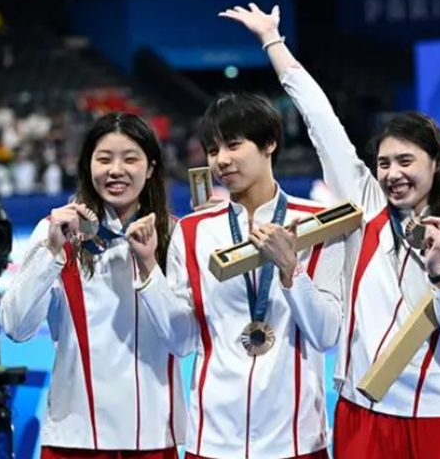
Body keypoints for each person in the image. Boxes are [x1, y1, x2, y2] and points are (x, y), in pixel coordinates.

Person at [217, 2, 440, 459]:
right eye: (384, 163)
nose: (393, 174)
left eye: (406, 162)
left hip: (436, 417)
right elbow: (320, 120)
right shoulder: (366, 203)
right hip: (360, 412)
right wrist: (272, 41)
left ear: (436, 165)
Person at [133, 89, 345, 459]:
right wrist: (149, 269)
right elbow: (182, 341)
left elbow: (326, 334)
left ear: (269, 143)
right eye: (213, 151)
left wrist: (291, 270)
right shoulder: (194, 231)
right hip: (213, 441)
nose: (222, 160)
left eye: (233, 145)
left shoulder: (317, 223)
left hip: (296, 440)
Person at [0, 112, 185, 459]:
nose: (116, 170)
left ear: (150, 168)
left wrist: (148, 266)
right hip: (75, 438)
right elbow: (15, 327)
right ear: (87, 167)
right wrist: (52, 252)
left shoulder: (174, 236)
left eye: (130, 158)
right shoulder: (53, 231)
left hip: (151, 437)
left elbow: (185, 340)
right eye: (104, 159)